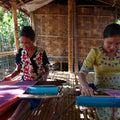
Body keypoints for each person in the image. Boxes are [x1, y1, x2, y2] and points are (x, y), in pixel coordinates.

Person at [3, 26, 49, 120]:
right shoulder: (20, 52)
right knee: (11, 100)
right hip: (23, 83)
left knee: (27, 99)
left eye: (27, 43)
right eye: (22, 43)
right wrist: (10, 76)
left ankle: (13, 118)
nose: (24, 45)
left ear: (33, 40)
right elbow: (18, 70)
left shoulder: (41, 52)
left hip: (37, 84)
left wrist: (44, 77)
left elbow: (47, 69)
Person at [78, 23, 120, 120]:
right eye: (109, 43)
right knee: (107, 111)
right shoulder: (95, 52)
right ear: (103, 38)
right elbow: (82, 72)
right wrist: (84, 86)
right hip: (102, 91)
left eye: (117, 43)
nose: (113, 47)